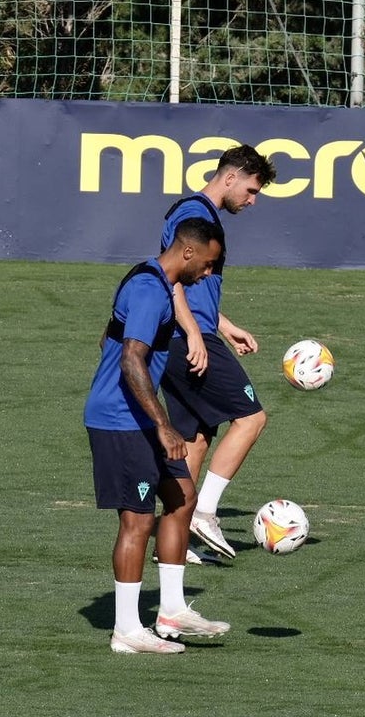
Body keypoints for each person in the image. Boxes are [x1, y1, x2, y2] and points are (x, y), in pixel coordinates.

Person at [83, 216, 232, 653]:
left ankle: (171, 610)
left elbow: (108, 339)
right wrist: (164, 424)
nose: (208, 273)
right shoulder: (151, 289)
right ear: (188, 252)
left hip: (140, 417)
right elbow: (131, 359)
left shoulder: (155, 281)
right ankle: (127, 631)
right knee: (138, 519)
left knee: (183, 497)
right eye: (206, 264)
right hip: (119, 421)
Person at [158, 145, 278, 559]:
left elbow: (193, 285)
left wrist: (224, 326)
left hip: (184, 335)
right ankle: (203, 513)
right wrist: (195, 331)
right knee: (251, 418)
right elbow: (168, 274)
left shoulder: (197, 214)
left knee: (194, 438)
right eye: (251, 189)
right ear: (229, 178)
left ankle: (173, 538)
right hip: (186, 337)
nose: (252, 200)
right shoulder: (196, 216)